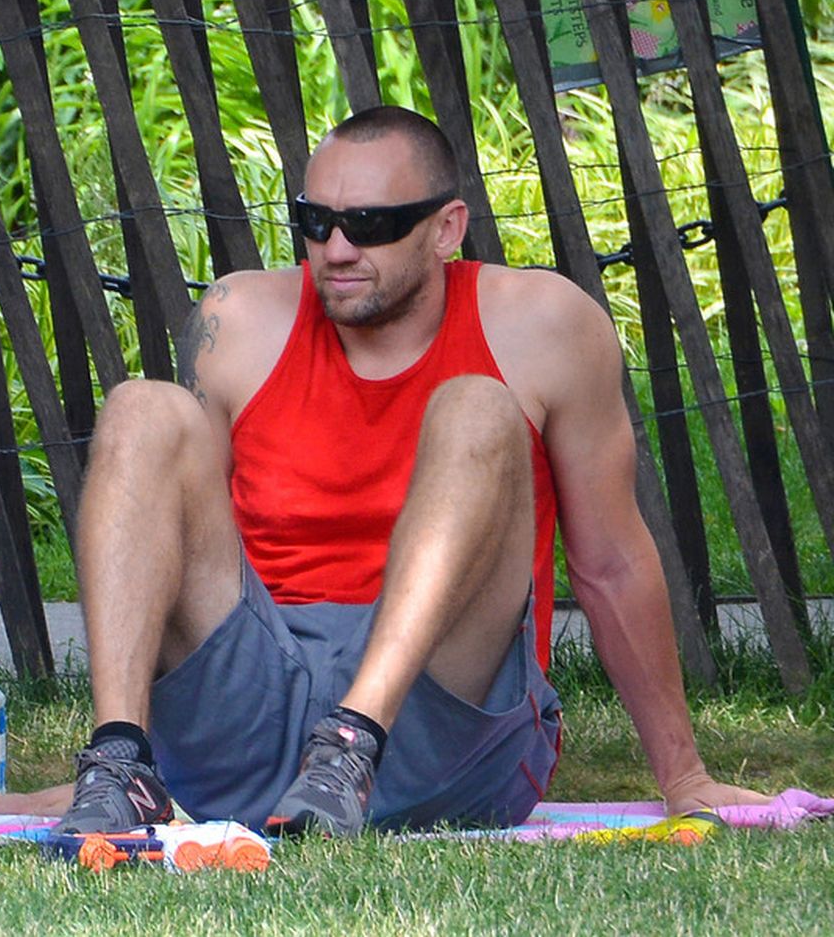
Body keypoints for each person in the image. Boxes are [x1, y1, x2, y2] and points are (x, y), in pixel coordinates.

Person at [40, 105, 771, 837]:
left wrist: (684, 775)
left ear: (447, 228)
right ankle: (116, 767)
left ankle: (352, 744)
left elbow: (610, 561)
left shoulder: (545, 323)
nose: (336, 248)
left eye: (371, 224)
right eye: (316, 221)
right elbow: (176, 550)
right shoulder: (240, 318)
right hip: (258, 713)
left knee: (481, 407)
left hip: (444, 725)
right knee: (141, 410)